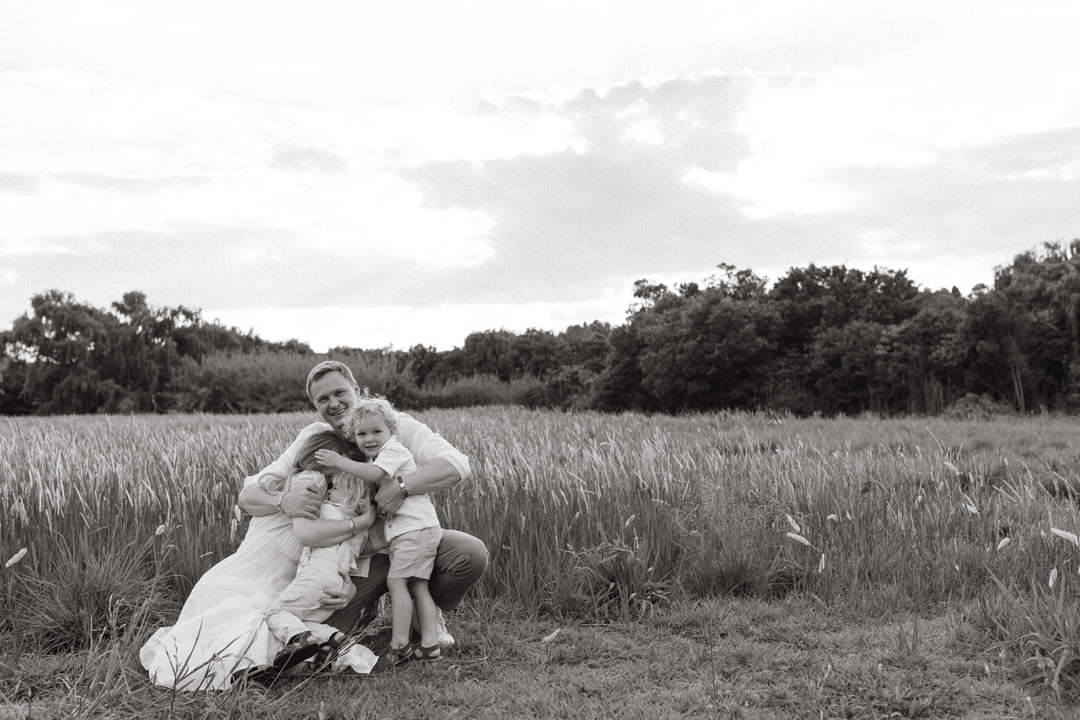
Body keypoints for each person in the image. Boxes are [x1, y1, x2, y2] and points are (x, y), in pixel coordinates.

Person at [236, 360, 488, 658]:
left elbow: (457, 464)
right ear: (315, 406)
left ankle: (425, 615)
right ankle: (369, 608)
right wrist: (282, 501)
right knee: (317, 637)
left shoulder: (393, 424)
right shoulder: (316, 439)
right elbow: (248, 494)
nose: (334, 403)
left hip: (405, 537)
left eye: (339, 392)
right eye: (323, 399)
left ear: (356, 390)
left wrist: (402, 486)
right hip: (354, 562)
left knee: (470, 554)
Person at [140, 430, 370, 690]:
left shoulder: (315, 491)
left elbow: (333, 549)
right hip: (255, 578)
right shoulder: (311, 483)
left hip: (263, 578)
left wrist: (346, 581)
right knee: (251, 621)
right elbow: (306, 534)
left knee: (269, 620)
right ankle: (268, 662)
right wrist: (361, 522)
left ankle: (278, 659)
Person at [316, 395, 444, 662]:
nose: (369, 438)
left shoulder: (393, 450)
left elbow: (374, 475)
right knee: (417, 586)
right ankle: (430, 642)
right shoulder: (381, 455)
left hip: (414, 530)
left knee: (396, 582)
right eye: (361, 434)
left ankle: (400, 645)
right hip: (413, 529)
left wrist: (339, 462)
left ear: (391, 431)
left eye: (377, 431)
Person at [264, 431, 377, 657]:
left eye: (334, 487)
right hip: (337, 583)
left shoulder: (327, 506)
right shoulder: (360, 528)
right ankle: (337, 640)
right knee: (306, 620)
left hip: (315, 577)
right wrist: (364, 519)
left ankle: (300, 640)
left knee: (276, 614)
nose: (329, 490)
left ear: (350, 497)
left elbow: (307, 535)